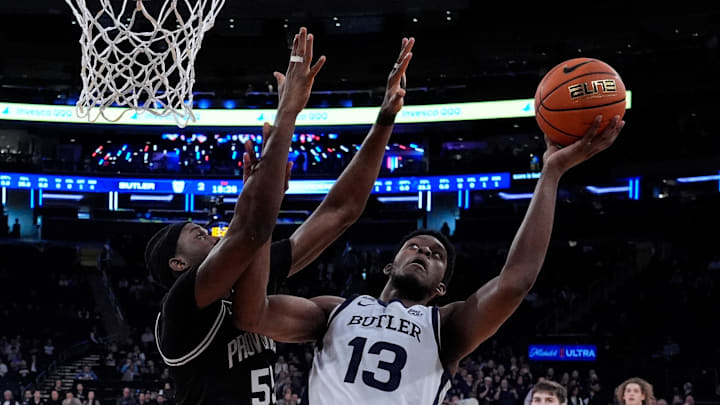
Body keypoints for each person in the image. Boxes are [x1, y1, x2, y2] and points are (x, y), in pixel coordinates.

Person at [234, 113, 624, 405]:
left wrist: (550, 175)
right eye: (415, 247)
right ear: (390, 265)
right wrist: (260, 210)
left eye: (435, 255)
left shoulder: (445, 327)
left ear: (441, 287)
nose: (423, 251)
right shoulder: (333, 311)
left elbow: (516, 280)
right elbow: (252, 314)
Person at [146, 28, 414, 405]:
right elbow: (252, 229)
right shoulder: (182, 308)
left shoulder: (253, 272)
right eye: (197, 234)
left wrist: (384, 120)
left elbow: (341, 211)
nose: (209, 234)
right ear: (178, 263)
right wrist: (287, 113)